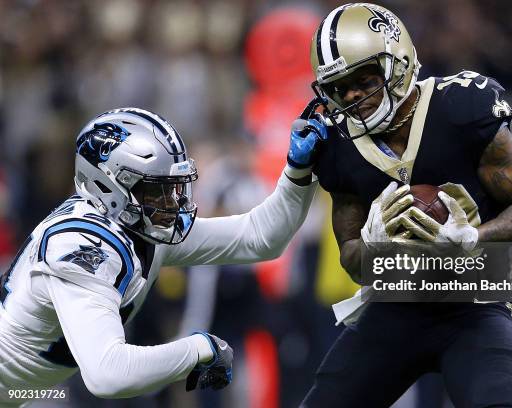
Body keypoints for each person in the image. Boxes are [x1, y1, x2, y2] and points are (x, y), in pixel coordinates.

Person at [299, 4, 512, 408]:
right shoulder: (339, 148)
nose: (353, 97)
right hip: (395, 307)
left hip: (474, 305)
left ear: (397, 63)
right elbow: (351, 256)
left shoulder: (458, 108)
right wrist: (374, 247)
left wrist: (472, 237)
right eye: (339, 89)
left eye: (363, 80)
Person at [0, 106, 324, 406]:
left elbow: (259, 238)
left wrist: (297, 173)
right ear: (110, 187)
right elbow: (108, 374)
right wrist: (198, 349)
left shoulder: (138, 225)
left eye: (174, 187)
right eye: (156, 189)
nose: (171, 203)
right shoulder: (81, 246)